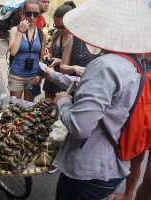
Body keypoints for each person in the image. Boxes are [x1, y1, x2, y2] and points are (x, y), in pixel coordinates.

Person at [44, 0, 151, 199]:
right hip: (116, 162)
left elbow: (80, 126)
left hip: (90, 169)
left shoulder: (105, 66)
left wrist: (62, 102)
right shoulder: (137, 64)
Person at [7, 0, 46, 102]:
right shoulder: (15, 30)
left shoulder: (41, 34)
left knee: (29, 107)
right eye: (28, 14)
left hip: (33, 77)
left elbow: (41, 58)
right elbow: (13, 52)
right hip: (16, 76)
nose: (32, 17)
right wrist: (21, 31)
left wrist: (40, 74)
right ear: (22, 14)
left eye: (35, 14)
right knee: (14, 108)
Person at [42, 2, 74, 100]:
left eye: (62, 26)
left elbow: (79, 64)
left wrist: (60, 61)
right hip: (51, 75)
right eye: (56, 26)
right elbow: (51, 51)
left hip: (65, 79)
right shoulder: (56, 34)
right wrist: (48, 56)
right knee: (46, 106)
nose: (60, 29)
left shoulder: (76, 38)